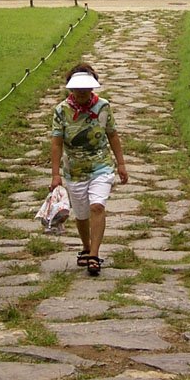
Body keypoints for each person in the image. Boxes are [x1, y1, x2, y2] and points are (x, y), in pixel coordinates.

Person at [50, 63, 128, 276]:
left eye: (86, 88)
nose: (82, 93)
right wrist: (55, 174)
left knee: (97, 206)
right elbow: (57, 142)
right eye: (78, 89)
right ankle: (85, 246)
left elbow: (112, 134)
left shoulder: (103, 107)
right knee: (82, 213)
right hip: (74, 170)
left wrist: (121, 163)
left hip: (100, 165)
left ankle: (94, 254)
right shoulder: (61, 110)